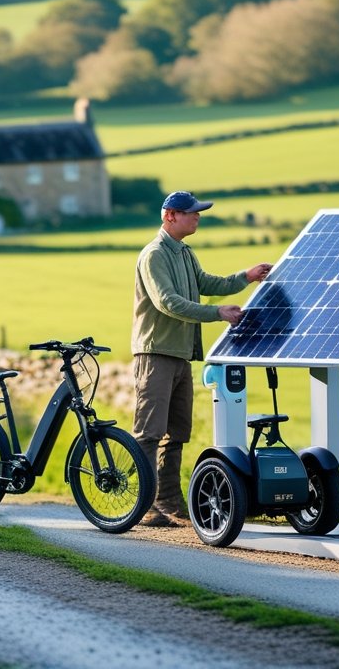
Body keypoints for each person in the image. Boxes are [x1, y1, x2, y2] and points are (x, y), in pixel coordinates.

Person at [130, 191, 271, 527]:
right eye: (191, 213)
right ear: (170, 216)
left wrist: (246, 277)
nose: (197, 217)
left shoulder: (185, 254)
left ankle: (170, 501)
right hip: (155, 353)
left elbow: (207, 283)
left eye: (197, 212)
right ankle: (145, 505)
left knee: (176, 433)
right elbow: (168, 303)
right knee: (148, 433)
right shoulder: (153, 256)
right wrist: (217, 313)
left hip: (180, 355)